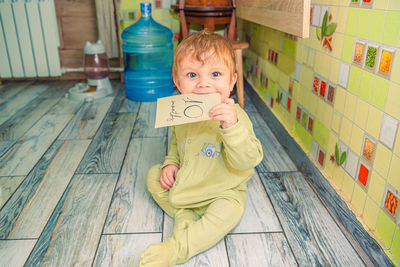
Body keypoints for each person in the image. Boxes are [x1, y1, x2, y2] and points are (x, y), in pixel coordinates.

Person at [140, 29, 263, 266]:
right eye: (192, 75)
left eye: (215, 74)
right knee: (153, 176)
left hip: (222, 192)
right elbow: (177, 144)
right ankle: (186, 213)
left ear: (232, 80)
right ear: (178, 82)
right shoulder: (181, 114)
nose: (204, 84)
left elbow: (247, 161)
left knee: (230, 212)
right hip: (189, 184)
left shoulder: (235, 117)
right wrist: (172, 164)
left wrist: (231, 127)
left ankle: (178, 247)